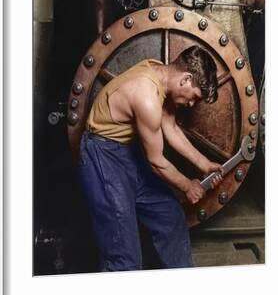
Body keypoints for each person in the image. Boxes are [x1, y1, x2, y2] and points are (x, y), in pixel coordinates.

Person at [78, 45, 224, 272]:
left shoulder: (158, 70)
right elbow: (156, 161)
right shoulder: (146, 97)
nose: (191, 104)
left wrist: (204, 164)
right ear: (185, 79)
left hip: (128, 153)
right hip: (103, 156)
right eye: (194, 97)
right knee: (124, 256)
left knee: (171, 217)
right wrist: (188, 185)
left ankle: (181, 287)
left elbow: (170, 126)